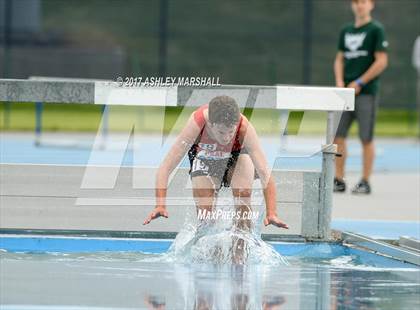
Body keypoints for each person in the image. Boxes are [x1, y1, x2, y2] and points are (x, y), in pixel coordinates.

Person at [143, 95, 289, 263]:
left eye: (230, 132)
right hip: (204, 157)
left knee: (243, 196)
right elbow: (165, 168)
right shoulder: (197, 124)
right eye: (221, 132)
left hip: (237, 156)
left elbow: (266, 174)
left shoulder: (243, 128)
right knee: (206, 215)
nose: (226, 137)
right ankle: (213, 255)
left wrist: (272, 212)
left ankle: (239, 255)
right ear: (210, 124)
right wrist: (160, 204)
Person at [333, 0, 388, 194]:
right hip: (345, 94)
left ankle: (365, 181)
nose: (359, 5)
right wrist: (340, 81)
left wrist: (360, 82)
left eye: (363, 2)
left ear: (371, 5)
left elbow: (382, 61)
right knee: (337, 136)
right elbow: (340, 58)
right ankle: (339, 179)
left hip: (366, 93)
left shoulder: (376, 30)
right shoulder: (346, 30)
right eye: (356, 2)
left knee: (366, 138)